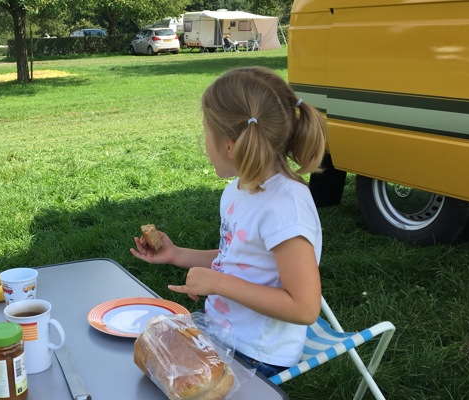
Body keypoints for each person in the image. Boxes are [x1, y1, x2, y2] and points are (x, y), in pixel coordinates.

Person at [130, 66, 327, 378]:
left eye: (206, 131)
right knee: (145, 356)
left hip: (259, 354)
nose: (202, 140)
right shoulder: (238, 190)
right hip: (222, 333)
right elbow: (237, 258)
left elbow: (304, 307)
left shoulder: (285, 206)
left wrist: (217, 283)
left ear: (230, 145)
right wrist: (177, 254)